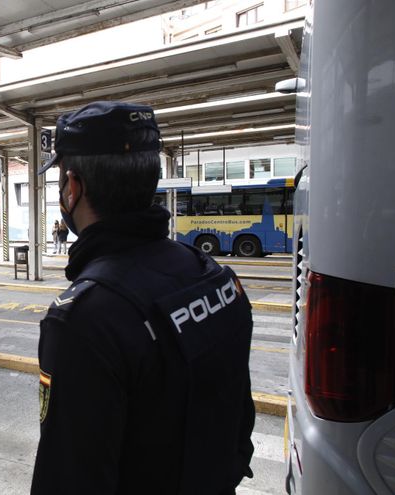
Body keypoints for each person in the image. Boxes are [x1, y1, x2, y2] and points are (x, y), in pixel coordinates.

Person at [30, 102, 255, 494]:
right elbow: (240, 421)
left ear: (73, 187)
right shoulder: (217, 278)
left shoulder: (84, 320)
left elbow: (68, 478)